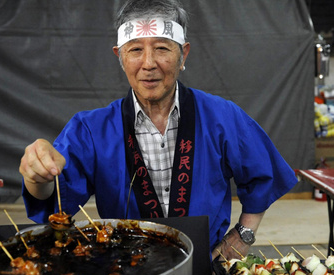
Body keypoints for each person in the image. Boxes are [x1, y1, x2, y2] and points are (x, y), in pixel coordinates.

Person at [19, 0, 298, 261]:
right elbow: (54, 198)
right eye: (135, 49)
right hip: (125, 266)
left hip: (206, 264)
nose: (149, 63)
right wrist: (37, 175)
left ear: (183, 54)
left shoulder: (221, 116)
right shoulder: (90, 129)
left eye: (162, 48)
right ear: (120, 56)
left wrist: (244, 235)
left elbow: (264, 173)